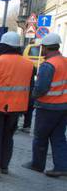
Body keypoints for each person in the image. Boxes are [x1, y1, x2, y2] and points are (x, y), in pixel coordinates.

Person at [0, 32, 34, 178]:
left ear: (3, 45)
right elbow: (30, 87)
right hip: (17, 107)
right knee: (8, 137)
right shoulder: (29, 65)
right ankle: (4, 166)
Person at [22, 33, 67, 177]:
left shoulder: (48, 65)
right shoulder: (65, 61)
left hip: (48, 106)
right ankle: (62, 167)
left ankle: (37, 164)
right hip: (63, 106)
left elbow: (41, 88)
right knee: (58, 137)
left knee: (40, 136)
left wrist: (31, 96)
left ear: (45, 48)